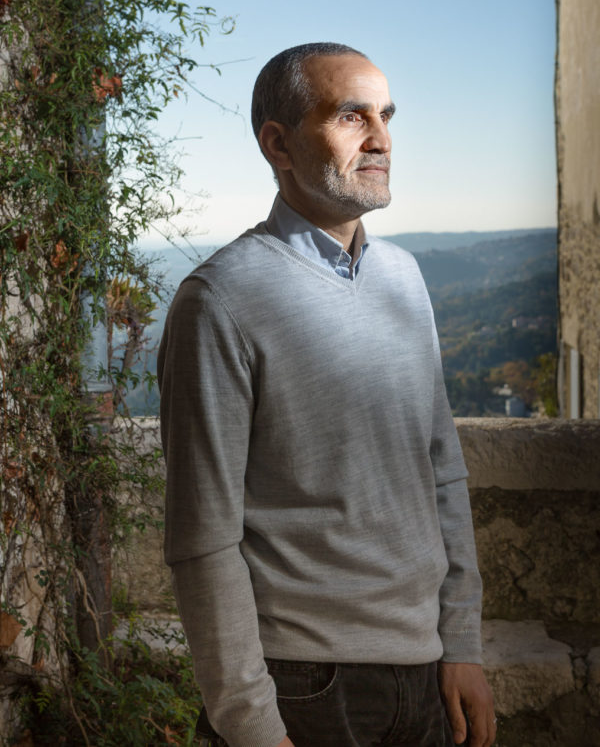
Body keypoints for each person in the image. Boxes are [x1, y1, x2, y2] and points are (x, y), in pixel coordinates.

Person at [157, 42, 496, 747]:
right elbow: (204, 537)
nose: (381, 138)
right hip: (305, 684)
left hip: (427, 674)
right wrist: (250, 722)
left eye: (386, 115)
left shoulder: (404, 278)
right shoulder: (219, 300)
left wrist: (462, 641)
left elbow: (442, 471)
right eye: (350, 116)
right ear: (277, 144)